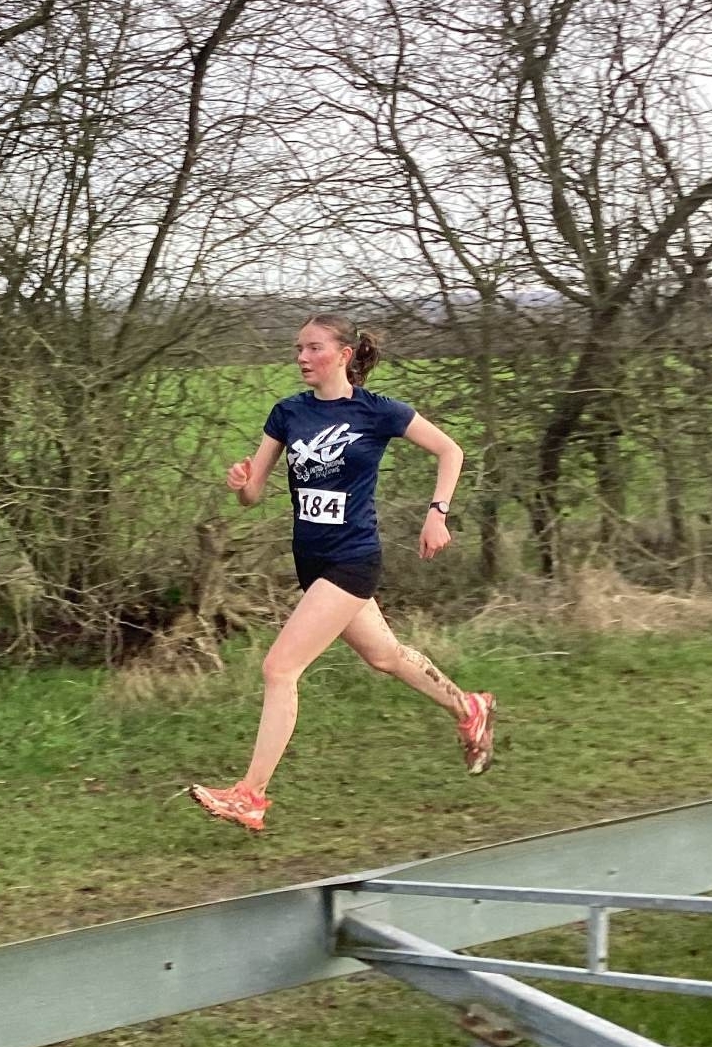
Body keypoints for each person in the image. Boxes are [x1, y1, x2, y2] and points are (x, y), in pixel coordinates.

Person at [190, 314, 495, 830]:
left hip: (352, 559)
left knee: (279, 668)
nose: (302, 357)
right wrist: (241, 483)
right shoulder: (287, 413)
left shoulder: (376, 411)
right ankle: (469, 708)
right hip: (311, 561)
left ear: (344, 354)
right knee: (385, 655)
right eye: (298, 348)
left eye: (314, 348)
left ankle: (250, 796)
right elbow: (252, 496)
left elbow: (451, 450)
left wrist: (437, 513)